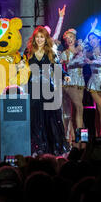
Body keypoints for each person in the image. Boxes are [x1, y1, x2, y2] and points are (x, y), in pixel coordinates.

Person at [25, 26, 70, 156]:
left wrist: (65, 75)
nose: (39, 39)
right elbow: (20, 66)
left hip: (46, 88)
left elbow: (58, 68)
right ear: (34, 38)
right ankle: (38, 146)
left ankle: (50, 147)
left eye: (42, 37)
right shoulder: (28, 52)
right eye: (37, 37)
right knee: (35, 118)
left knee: (49, 117)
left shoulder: (51, 52)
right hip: (33, 87)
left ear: (46, 39)